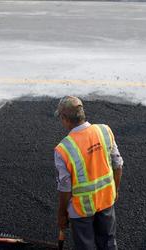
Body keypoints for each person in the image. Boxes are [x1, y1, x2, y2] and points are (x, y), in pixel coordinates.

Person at [54, 96, 123, 250]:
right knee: (108, 243)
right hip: (106, 200)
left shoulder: (63, 149)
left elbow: (65, 187)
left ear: (65, 118)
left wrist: (62, 214)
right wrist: (115, 190)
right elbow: (118, 164)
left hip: (81, 210)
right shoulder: (105, 131)